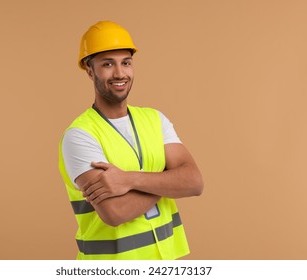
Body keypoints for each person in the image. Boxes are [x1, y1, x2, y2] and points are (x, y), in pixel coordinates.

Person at [58, 21, 204, 260]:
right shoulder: (80, 136)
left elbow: (195, 182)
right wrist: (168, 180)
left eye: (126, 62)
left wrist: (127, 180)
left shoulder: (155, 119)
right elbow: (114, 212)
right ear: (89, 69)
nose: (119, 73)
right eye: (107, 64)